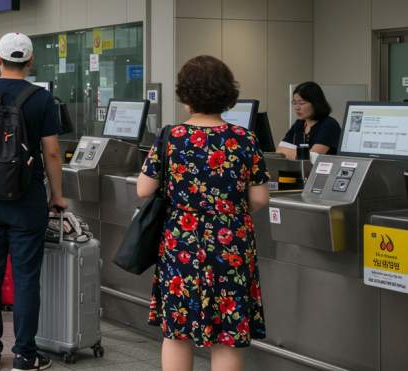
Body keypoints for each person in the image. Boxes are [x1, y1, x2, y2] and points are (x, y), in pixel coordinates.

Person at [136, 55, 269, 371]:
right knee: (227, 335)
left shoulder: (171, 137)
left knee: (177, 332)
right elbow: (260, 197)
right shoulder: (245, 139)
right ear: (227, 93)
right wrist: (227, 209)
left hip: (181, 243)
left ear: (186, 96)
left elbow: (143, 189)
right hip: (230, 244)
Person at [0, 32, 65, 371]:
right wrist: (57, 194)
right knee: (26, 277)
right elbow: (52, 152)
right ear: (30, 61)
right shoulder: (41, 99)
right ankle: (24, 355)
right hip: (27, 199)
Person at [278, 81, 341, 161]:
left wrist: (290, 153)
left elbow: (312, 158)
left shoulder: (329, 124)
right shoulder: (299, 124)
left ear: (315, 103)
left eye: (301, 103)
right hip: (299, 168)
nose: (297, 108)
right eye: (294, 103)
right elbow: (280, 150)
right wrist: (301, 155)